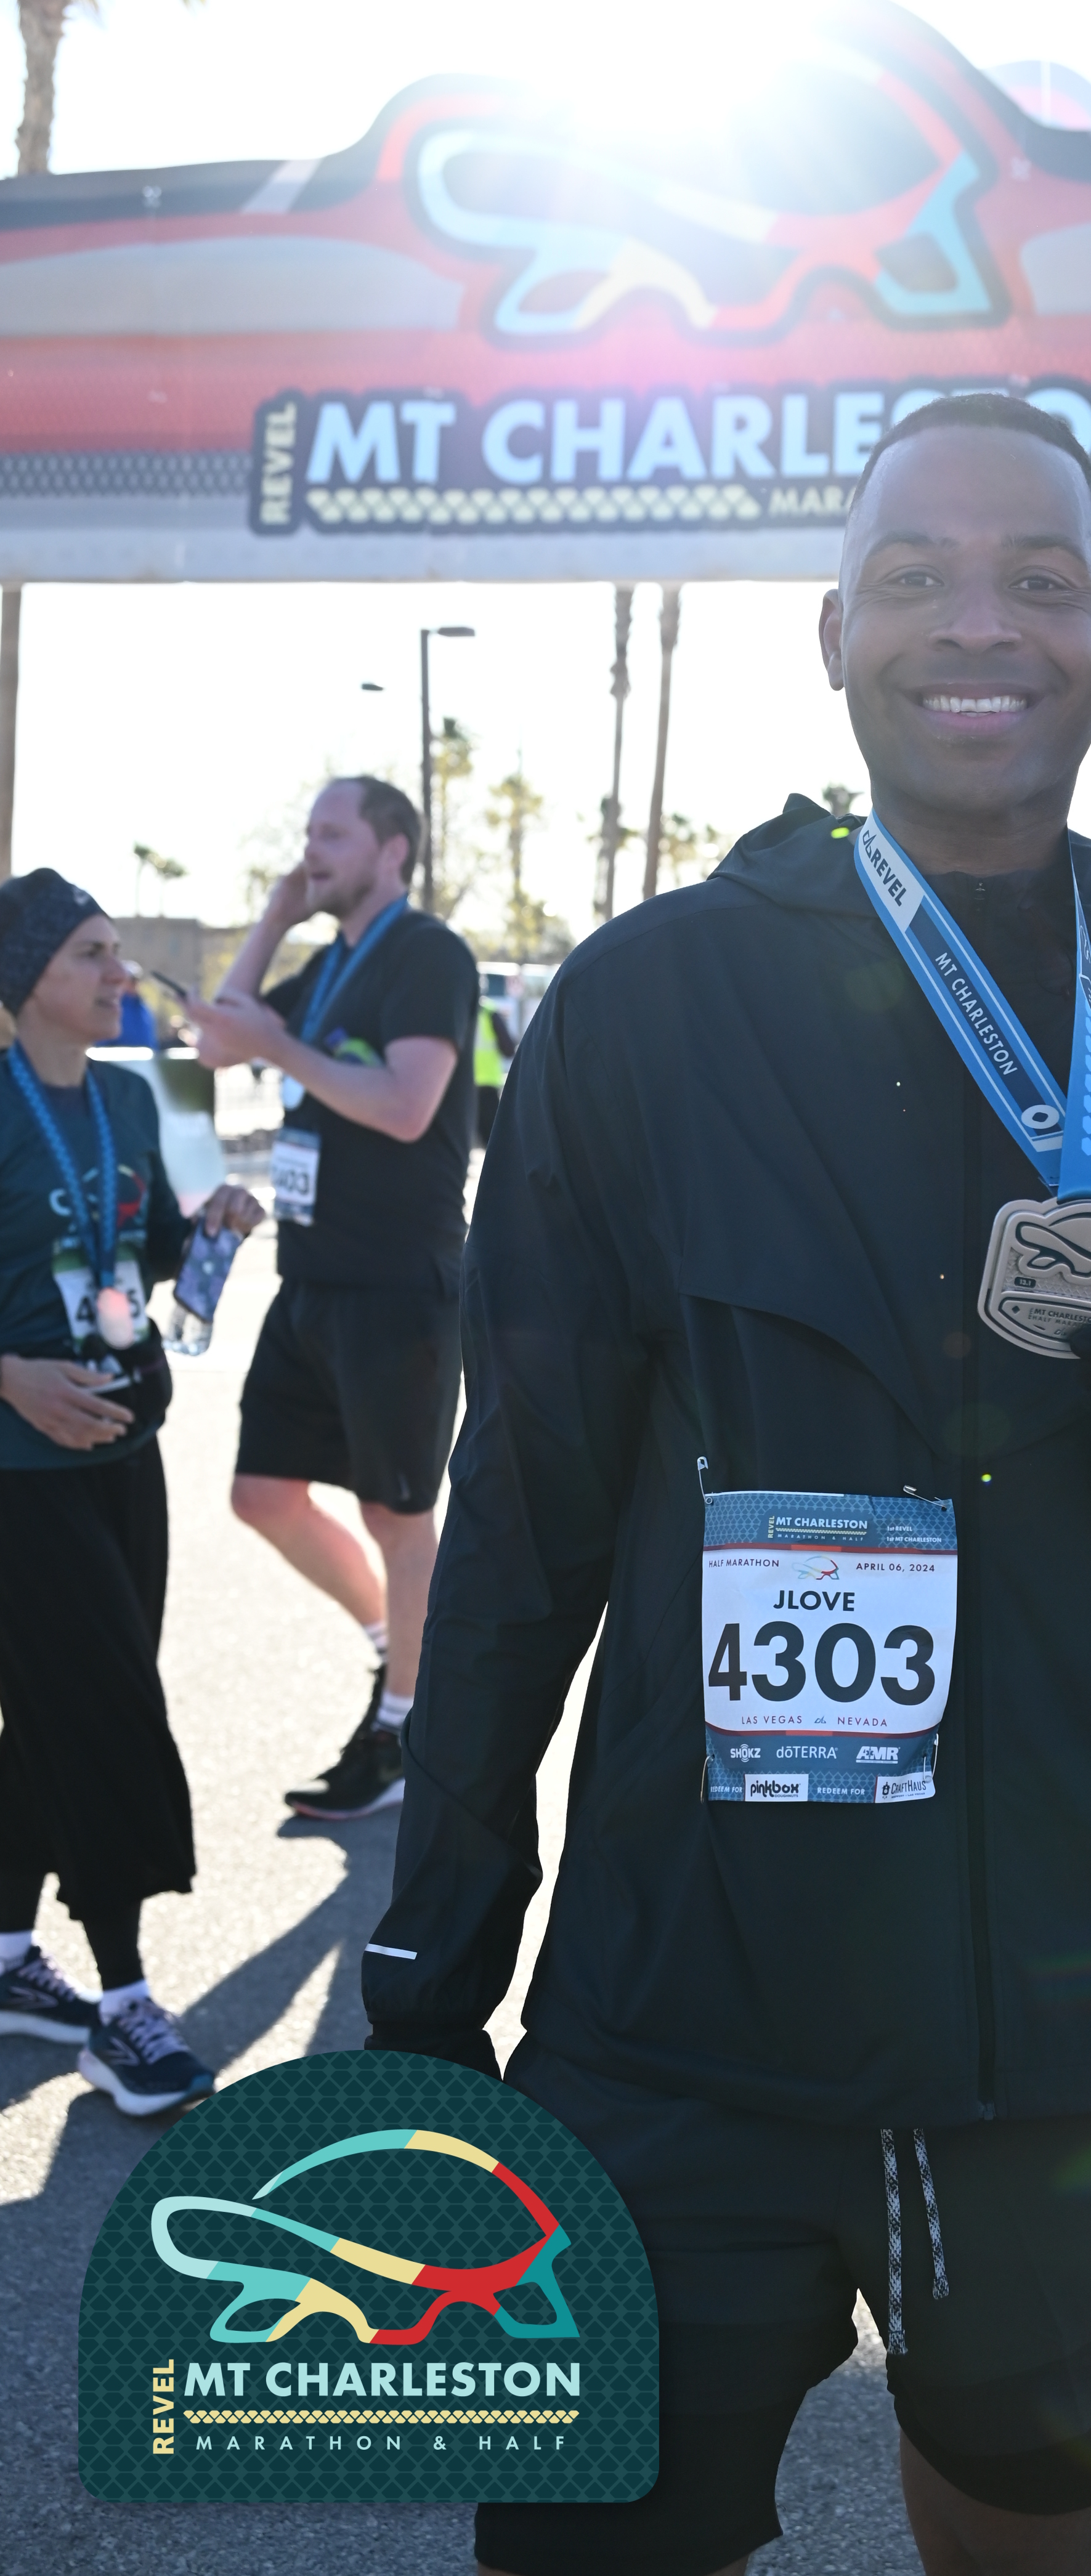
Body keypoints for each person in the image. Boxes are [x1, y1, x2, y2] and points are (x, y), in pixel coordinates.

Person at [363, 392, 1091, 2576]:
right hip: (684, 2007)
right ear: (832, 633)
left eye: (1040, 580)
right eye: (913, 576)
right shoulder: (649, 1006)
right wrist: (437, 1949)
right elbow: (527, 1515)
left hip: (1078, 2030)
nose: (976, 624)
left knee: (1025, 2533)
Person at [0, 871, 263, 2112]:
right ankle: (122, 2005)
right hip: (23, 1477)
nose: (121, 974)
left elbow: (139, 1251)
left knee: (56, 1711)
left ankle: (8, 1952)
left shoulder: (126, 1096)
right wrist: (11, 1377)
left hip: (124, 1455)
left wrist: (211, 1229)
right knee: (106, 1713)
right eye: (92, 955)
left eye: (116, 950)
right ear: (29, 979)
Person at [188, 777, 478, 1821]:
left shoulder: (427, 955)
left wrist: (278, 1046)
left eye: (331, 833)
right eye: (308, 833)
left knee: (396, 1513)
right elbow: (216, 1042)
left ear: (391, 850)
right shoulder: (326, 962)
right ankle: (399, 1651)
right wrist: (273, 918)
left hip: (397, 1285)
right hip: (310, 1277)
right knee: (262, 1495)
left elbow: (405, 1107)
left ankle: (404, 1728)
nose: (312, 850)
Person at [474, 982, 516, 1146]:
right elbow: (508, 1050)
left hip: (463, 1086)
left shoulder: (459, 1010)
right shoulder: (489, 1012)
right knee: (494, 1141)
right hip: (487, 1083)